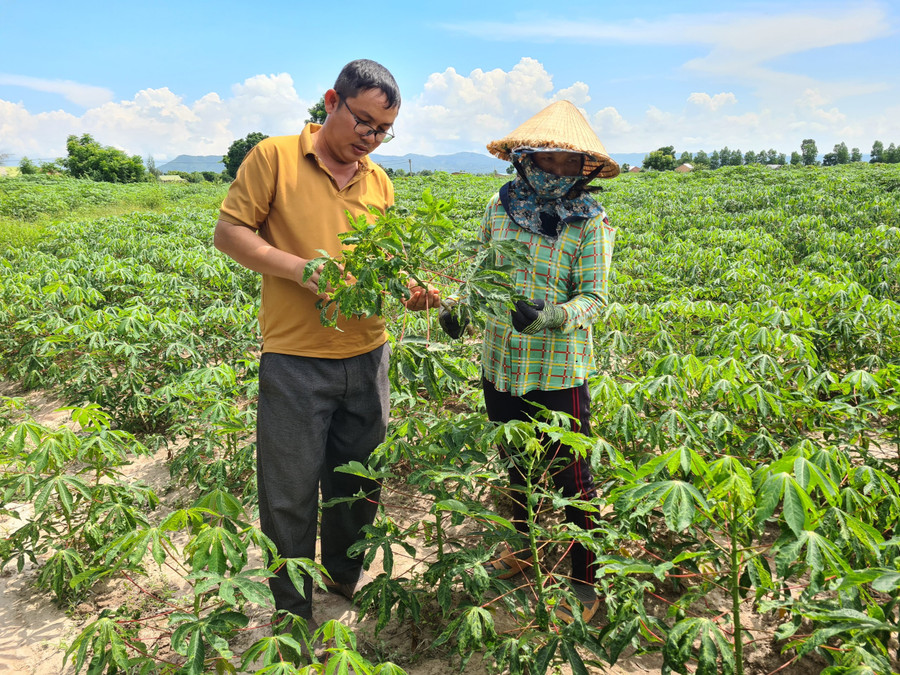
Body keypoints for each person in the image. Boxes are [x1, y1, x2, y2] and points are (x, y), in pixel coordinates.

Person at [214, 59, 438, 626]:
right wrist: (300, 270)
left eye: (384, 130)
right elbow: (230, 233)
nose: (371, 138)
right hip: (295, 357)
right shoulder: (274, 157)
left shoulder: (380, 180)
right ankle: (292, 609)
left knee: (358, 480)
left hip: (368, 354)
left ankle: (343, 577)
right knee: (288, 492)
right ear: (330, 102)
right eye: (364, 122)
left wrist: (409, 287)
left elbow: (382, 257)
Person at [440, 100, 618, 624]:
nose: (558, 171)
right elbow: (482, 269)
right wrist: (461, 308)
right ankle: (523, 549)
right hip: (500, 363)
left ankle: (585, 582)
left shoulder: (591, 222)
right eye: (549, 158)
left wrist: (549, 316)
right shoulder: (499, 209)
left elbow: (595, 300)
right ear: (526, 157)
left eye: (571, 163)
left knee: (573, 481)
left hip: (559, 372)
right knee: (516, 466)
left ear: (585, 170)